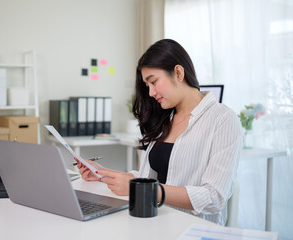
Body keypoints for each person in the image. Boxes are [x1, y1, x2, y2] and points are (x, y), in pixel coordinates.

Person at [75, 39, 243, 225]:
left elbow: (214, 197)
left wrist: (144, 190)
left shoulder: (223, 120)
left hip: (191, 230)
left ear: (178, 73)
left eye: (153, 82)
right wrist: (102, 173)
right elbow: (151, 179)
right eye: (147, 85)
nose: (150, 92)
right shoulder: (165, 118)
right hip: (155, 223)